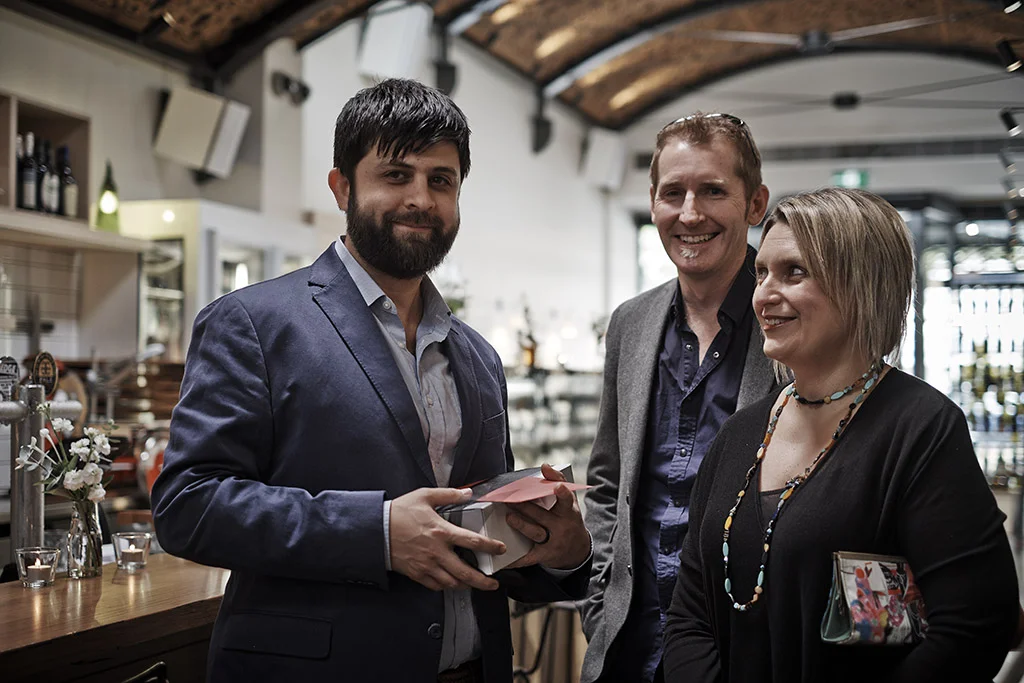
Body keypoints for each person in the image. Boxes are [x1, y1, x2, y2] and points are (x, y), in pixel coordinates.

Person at [151, 78, 592, 683]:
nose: (421, 199)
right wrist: (376, 534)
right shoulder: (253, 323)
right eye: (396, 175)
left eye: (441, 180)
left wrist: (560, 552)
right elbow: (188, 505)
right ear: (342, 187)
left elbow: (483, 534)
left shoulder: (478, 356)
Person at [663, 188, 1020, 682]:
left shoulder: (920, 428)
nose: (763, 295)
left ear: (861, 285)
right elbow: (690, 615)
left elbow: (975, 625)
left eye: (794, 272)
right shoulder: (740, 433)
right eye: (761, 273)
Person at [581, 113, 778, 683]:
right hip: (628, 642)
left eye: (712, 190)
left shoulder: (787, 321)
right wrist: (600, 603)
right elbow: (608, 481)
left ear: (755, 203)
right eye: (673, 193)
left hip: (737, 647)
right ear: (653, 203)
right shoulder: (631, 323)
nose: (690, 214)